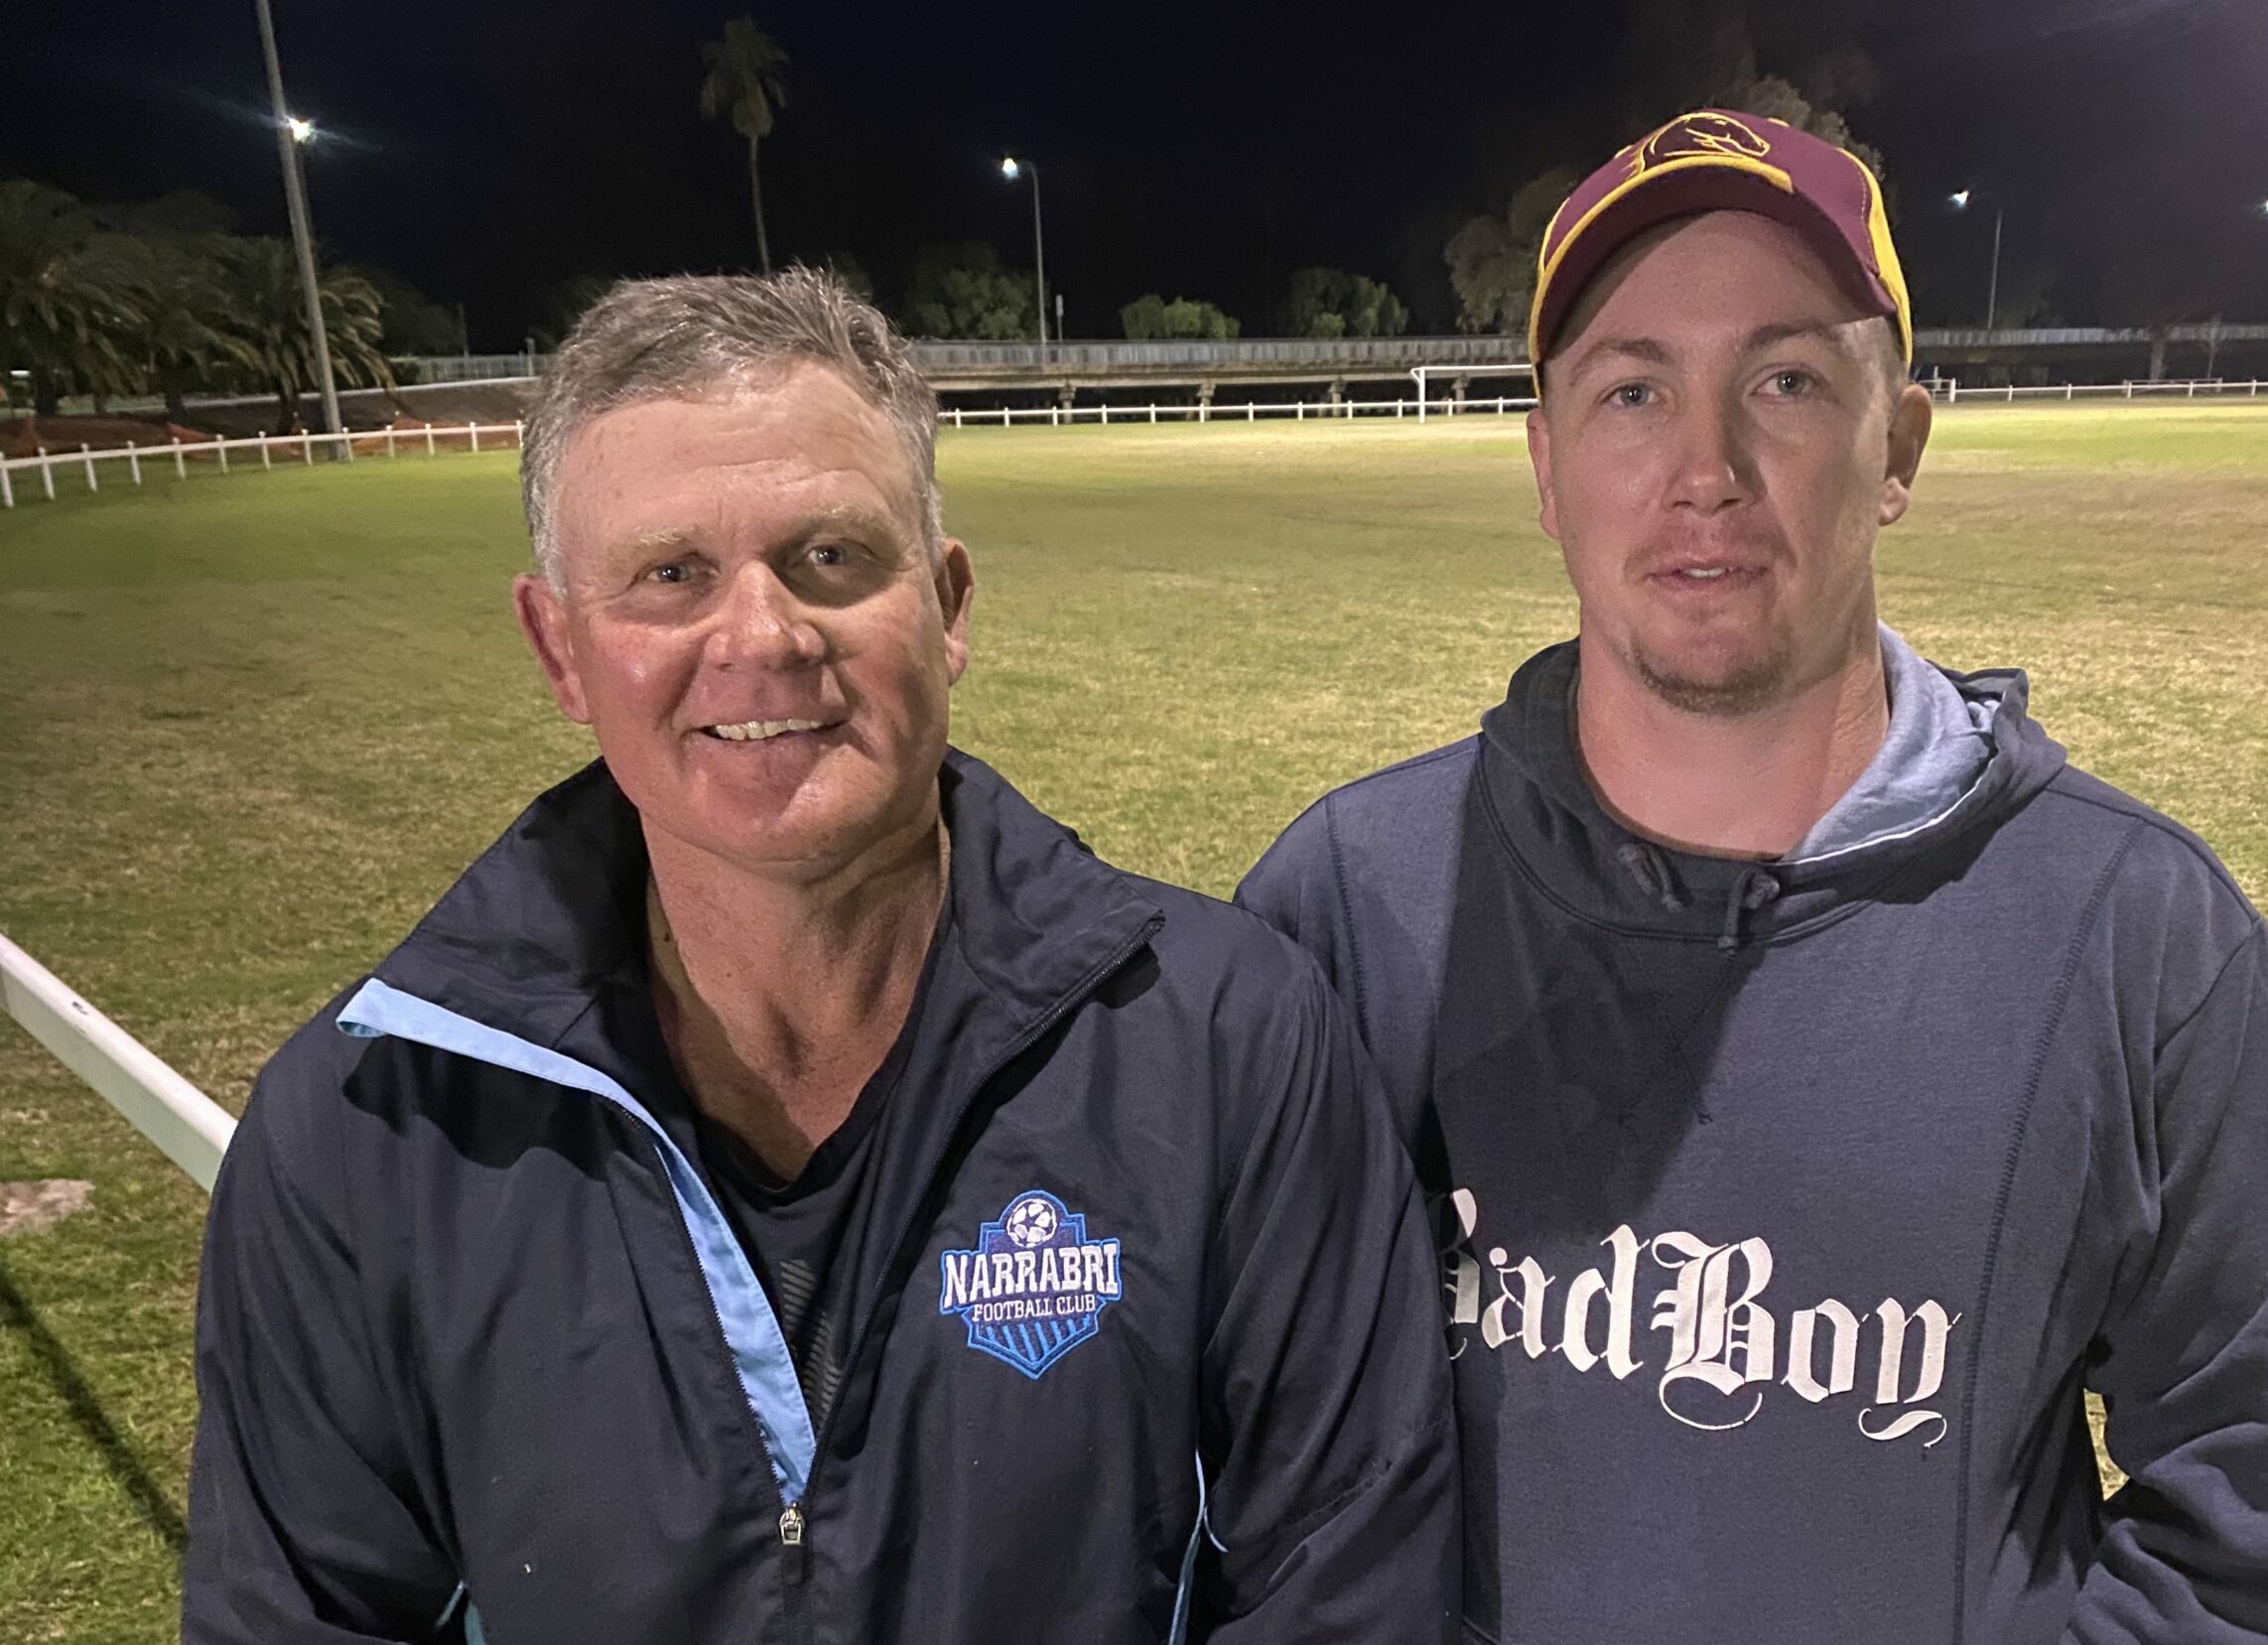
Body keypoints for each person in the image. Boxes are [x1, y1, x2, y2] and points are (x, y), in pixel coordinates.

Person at [1239, 110, 2268, 1643]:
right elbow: (1227, 1478)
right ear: (1545, 464)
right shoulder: (1349, 904)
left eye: (1784, 380)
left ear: (1896, 444)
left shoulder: (2142, 943)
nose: (1702, 469)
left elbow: (2261, 1552)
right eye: (1631, 391)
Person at [185, 269, 1456, 1645]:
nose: (761, 636)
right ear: (561, 650)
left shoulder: (1228, 1043)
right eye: (670, 575)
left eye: (831, 559)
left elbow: (1349, 1593)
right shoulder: (362, 1132)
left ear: (951, 606)